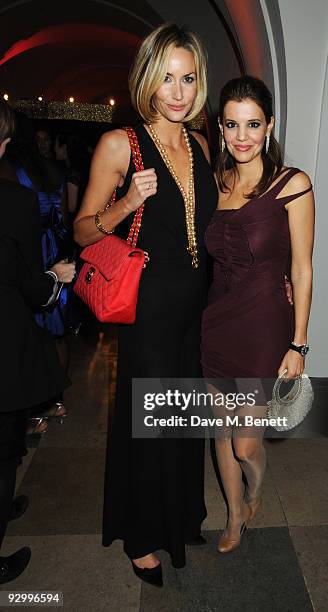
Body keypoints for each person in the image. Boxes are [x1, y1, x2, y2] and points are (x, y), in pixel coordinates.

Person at [74, 23, 217, 587]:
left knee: (183, 422)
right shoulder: (120, 144)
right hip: (149, 308)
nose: (178, 92)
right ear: (147, 81)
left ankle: (179, 514)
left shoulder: (202, 143)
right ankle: (141, 535)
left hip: (195, 309)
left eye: (188, 79)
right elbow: (83, 229)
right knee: (150, 423)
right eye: (167, 79)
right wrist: (127, 200)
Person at [201, 76, 315, 553]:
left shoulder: (293, 184)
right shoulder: (214, 183)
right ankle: (232, 516)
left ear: (268, 126)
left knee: (246, 443)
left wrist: (299, 343)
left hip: (266, 325)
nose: (242, 136)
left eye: (252, 124)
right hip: (214, 323)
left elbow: (303, 268)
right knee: (220, 432)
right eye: (232, 124)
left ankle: (255, 489)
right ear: (221, 128)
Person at [0, 100, 76, 583]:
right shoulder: (14, 201)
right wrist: (56, 275)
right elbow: (30, 287)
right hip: (4, 344)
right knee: (5, 450)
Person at [0, 113, 72, 431]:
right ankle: (50, 399)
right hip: (48, 249)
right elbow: (65, 217)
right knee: (51, 327)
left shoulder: (15, 174)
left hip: (32, 250)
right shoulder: (50, 171)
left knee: (36, 327)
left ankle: (40, 404)